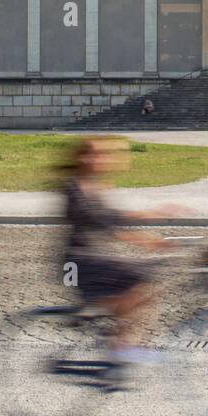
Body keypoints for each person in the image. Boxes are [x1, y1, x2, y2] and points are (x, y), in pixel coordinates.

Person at [60, 136, 188, 363]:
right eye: (95, 154)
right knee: (141, 279)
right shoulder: (74, 188)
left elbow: (114, 217)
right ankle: (121, 345)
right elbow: (104, 224)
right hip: (78, 262)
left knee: (142, 288)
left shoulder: (90, 186)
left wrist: (154, 214)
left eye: (102, 155)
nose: (101, 159)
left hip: (92, 257)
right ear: (81, 157)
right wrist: (144, 240)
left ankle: (114, 338)